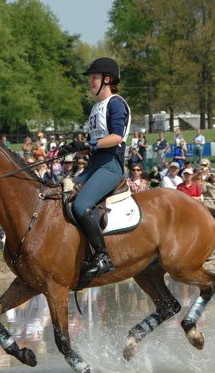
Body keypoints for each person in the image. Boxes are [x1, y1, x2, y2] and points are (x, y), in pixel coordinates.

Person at [57, 57, 131, 278]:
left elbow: (117, 137)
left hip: (110, 166)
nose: (90, 82)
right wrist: (74, 148)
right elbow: (94, 144)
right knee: (59, 192)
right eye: (90, 78)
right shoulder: (97, 107)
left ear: (107, 80)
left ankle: (102, 256)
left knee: (81, 206)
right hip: (93, 165)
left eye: (94, 78)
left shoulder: (116, 103)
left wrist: (88, 145)